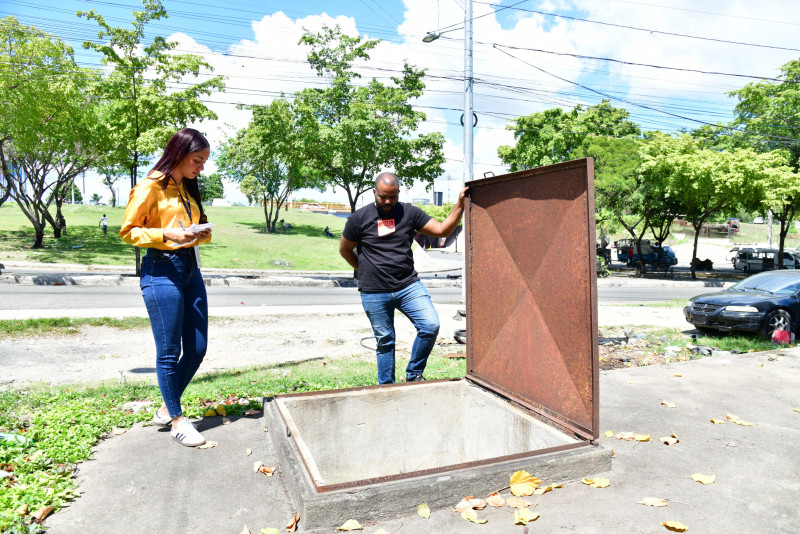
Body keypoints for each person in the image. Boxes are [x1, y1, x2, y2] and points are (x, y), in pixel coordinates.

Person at [119, 128, 213, 447]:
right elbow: (128, 232)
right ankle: (176, 419)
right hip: (161, 270)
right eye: (198, 160)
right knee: (169, 351)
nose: (201, 167)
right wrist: (166, 236)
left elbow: (195, 226)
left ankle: (165, 406)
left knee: (197, 348)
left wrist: (199, 234)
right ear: (181, 153)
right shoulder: (150, 187)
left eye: (204, 162)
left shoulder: (187, 188)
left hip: (190, 270)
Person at [339, 172, 468, 384]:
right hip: (374, 291)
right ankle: (387, 388)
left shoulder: (410, 213)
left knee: (430, 325)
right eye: (383, 197)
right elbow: (345, 250)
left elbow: (442, 229)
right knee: (385, 341)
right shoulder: (358, 219)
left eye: (393, 196)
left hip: (408, 286)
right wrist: (365, 271)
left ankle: (413, 374)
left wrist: (460, 204)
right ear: (374, 192)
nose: (388, 201)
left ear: (399, 192)